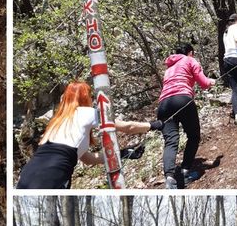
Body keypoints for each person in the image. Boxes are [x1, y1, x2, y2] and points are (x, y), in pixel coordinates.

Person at [16, 81, 150, 189]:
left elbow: (88, 159)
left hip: (28, 175)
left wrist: (121, 154)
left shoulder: (56, 122)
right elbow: (127, 127)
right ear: (85, 97)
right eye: (90, 96)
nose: (92, 99)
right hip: (53, 174)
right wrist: (154, 125)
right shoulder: (87, 112)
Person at [157, 43, 214, 189]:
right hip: (182, 99)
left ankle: (169, 178)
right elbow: (204, 83)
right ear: (190, 52)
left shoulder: (169, 68)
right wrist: (211, 81)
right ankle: (185, 171)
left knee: (170, 141)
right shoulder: (190, 60)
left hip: (163, 104)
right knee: (194, 136)